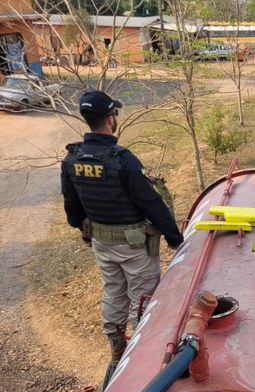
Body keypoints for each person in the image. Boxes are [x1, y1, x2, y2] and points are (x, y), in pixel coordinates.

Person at [61, 90, 183, 369]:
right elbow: (151, 202)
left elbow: (72, 205)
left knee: (113, 292)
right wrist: (175, 238)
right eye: (115, 114)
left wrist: (83, 229)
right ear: (110, 119)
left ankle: (117, 346)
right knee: (143, 299)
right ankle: (144, 357)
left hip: (102, 243)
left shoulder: (72, 158)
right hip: (135, 246)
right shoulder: (122, 160)